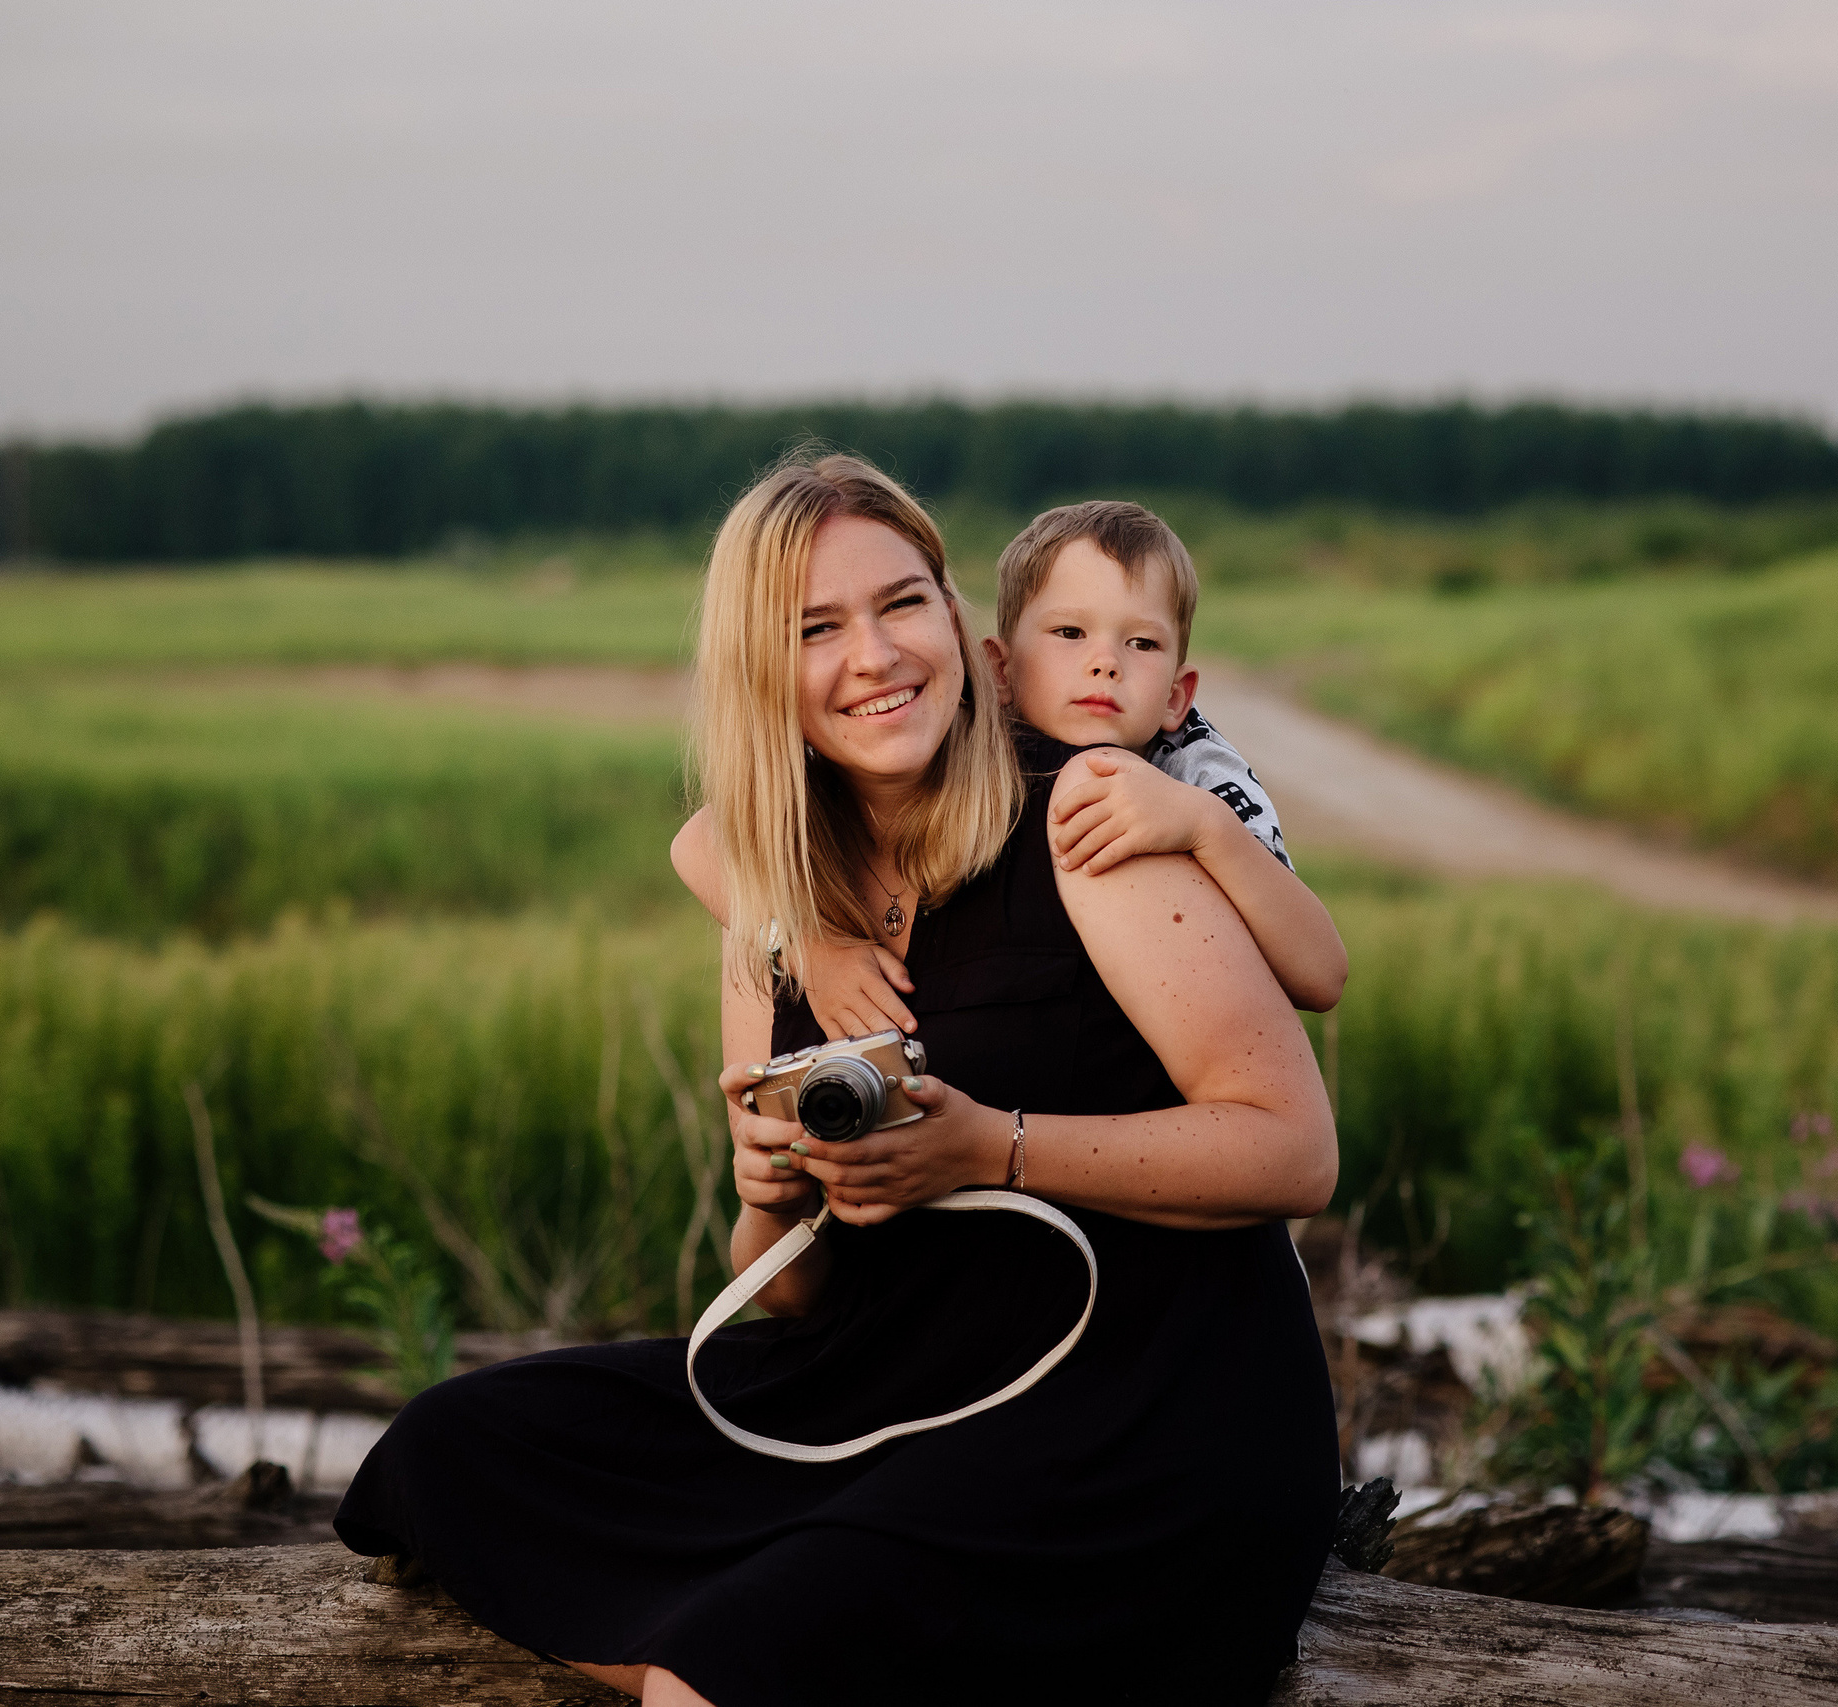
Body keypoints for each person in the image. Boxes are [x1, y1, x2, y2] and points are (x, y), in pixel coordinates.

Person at [334, 452, 1342, 1707]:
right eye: (818, 629)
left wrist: (993, 1149)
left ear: (964, 630)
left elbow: (1293, 1149)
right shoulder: (770, 901)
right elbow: (800, 1289)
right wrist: (771, 1188)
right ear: (765, 673)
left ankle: (771, 1640)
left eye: (901, 603)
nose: (873, 656)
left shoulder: (1092, 823)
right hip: (894, 1391)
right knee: (452, 1448)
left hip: (1141, 1412)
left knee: (730, 1660)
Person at [698, 498, 1346, 1044]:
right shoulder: (962, 730)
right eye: (1069, 633)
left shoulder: (1197, 769)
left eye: (1141, 643)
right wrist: (811, 951)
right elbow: (700, 842)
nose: (1106, 663)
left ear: (1179, 694)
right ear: (999, 669)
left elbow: (1322, 974)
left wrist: (1206, 828)